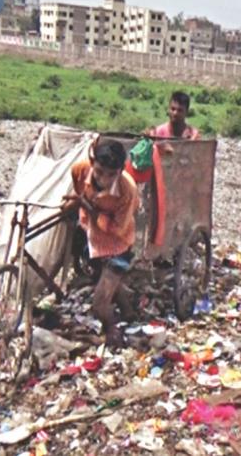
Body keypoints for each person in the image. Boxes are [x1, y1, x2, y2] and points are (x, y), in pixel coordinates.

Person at [62, 138, 139, 349]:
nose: (103, 179)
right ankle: (130, 313)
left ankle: (114, 331)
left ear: (121, 171)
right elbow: (79, 191)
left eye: (111, 174)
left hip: (118, 245)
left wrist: (92, 211)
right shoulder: (80, 170)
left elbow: (118, 229)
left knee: (99, 304)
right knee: (102, 277)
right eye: (99, 172)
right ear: (92, 163)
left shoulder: (127, 190)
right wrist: (77, 204)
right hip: (92, 237)